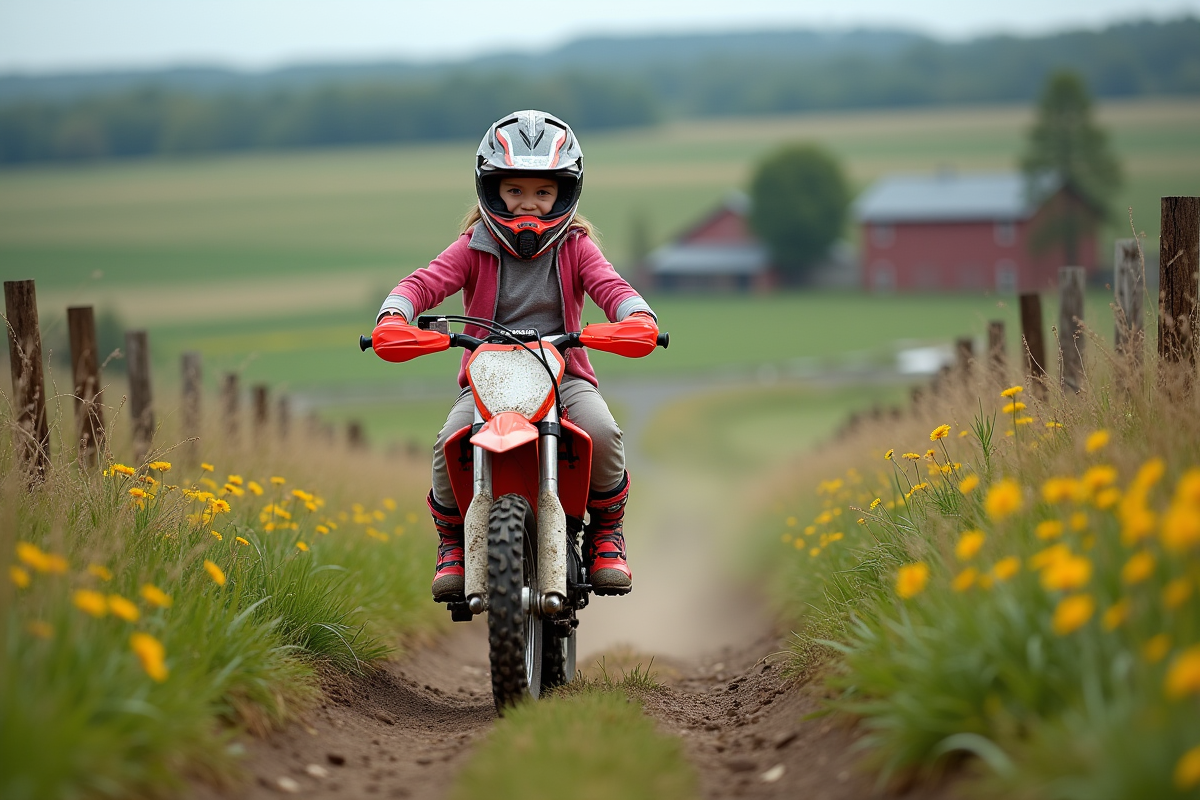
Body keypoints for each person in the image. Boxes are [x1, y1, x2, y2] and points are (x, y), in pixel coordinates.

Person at [373, 110, 658, 603]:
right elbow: (423, 283)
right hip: (489, 380)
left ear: (564, 194)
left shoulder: (576, 247)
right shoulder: (473, 246)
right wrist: (394, 316)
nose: (529, 204)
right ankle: (454, 546)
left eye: (542, 192)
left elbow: (613, 287)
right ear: (492, 190)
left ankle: (606, 534)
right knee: (448, 444)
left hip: (563, 372)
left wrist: (637, 317)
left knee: (603, 431)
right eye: (515, 191)